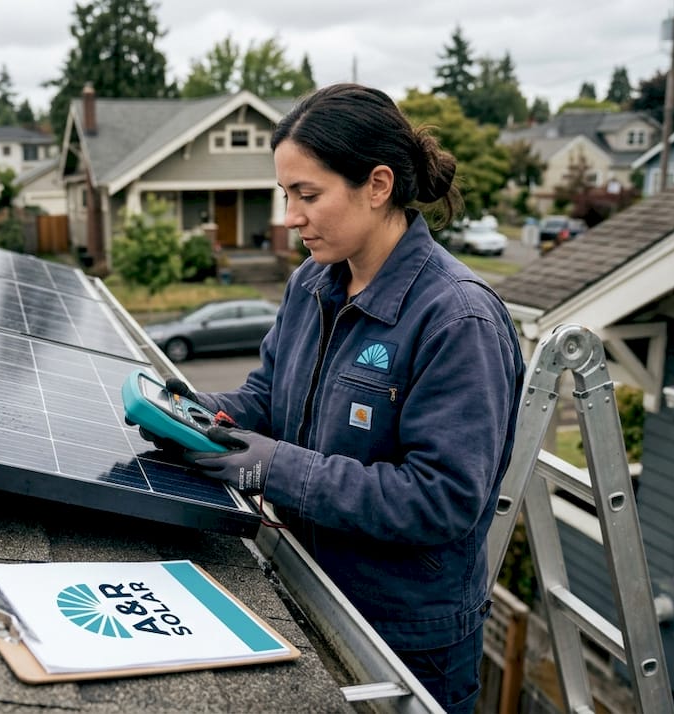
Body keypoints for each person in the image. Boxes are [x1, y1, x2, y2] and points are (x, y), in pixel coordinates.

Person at [141, 83, 524, 713]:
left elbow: (441, 499)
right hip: (306, 586)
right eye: (286, 194)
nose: (290, 216)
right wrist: (198, 415)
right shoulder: (313, 282)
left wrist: (274, 465)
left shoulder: (457, 320)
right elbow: (268, 395)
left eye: (307, 195)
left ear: (377, 185)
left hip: (406, 642)